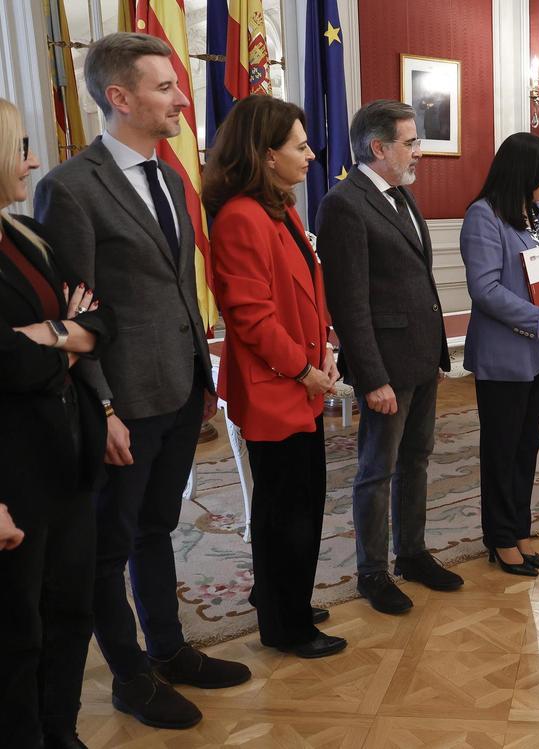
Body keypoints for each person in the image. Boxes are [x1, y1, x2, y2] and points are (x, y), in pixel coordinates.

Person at [34, 32, 248, 730]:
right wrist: (102, 406)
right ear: (119, 97)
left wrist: (203, 370)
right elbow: (73, 305)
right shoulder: (69, 188)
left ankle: (170, 648)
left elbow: (178, 283)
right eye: (164, 87)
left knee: (158, 524)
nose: (181, 97)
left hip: (181, 386)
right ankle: (130, 675)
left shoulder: (170, 174)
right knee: (109, 546)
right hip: (122, 401)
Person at [203, 96, 346, 658]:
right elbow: (251, 316)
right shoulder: (241, 216)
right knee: (286, 510)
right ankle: (285, 626)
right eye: (300, 146)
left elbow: (308, 290)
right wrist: (307, 368)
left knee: (302, 500)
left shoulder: (279, 208)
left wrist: (326, 347)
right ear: (266, 155)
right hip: (276, 388)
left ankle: (285, 596)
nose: (311, 154)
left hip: (301, 380)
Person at [317, 100, 462, 613]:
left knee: (417, 461)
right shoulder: (345, 203)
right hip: (385, 368)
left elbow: (418, 283)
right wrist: (371, 378)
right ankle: (372, 571)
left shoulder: (401, 194)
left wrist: (438, 356)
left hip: (421, 358)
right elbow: (350, 304)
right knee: (377, 469)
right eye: (411, 142)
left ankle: (413, 554)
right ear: (379, 148)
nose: (419, 150)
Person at [0, 99, 112, 749]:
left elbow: (102, 320)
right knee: (17, 632)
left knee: (71, 608)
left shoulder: (28, 238)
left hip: (67, 458)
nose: (35, 161)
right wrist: (63, 340)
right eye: (20, 148)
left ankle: (61, 729)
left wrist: (45, 336)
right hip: (12, 477)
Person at [461, 132, 539, 576]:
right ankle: (500, 539)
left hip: (538, 352)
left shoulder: (536, 212)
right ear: (525, 172)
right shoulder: (482, 216)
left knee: (525, 449)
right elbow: (485, 290)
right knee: (501, 451)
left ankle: (520, 530)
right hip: (504, 354)